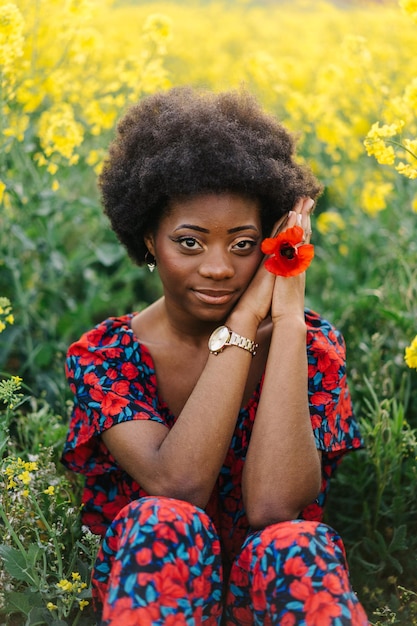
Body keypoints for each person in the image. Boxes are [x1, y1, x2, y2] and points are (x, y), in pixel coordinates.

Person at [61, 86, 369, 626]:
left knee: (299, 544)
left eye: (244, 243)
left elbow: (273, 509)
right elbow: (178, 487)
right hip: (157, 591)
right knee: (163, 521)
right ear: (150, 240)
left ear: (272, 243)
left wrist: (288, 319)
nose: (220, 268)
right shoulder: (107, 357)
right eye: (190, 242)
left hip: (264, 595)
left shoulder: (313, 347)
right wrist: (246, 320)